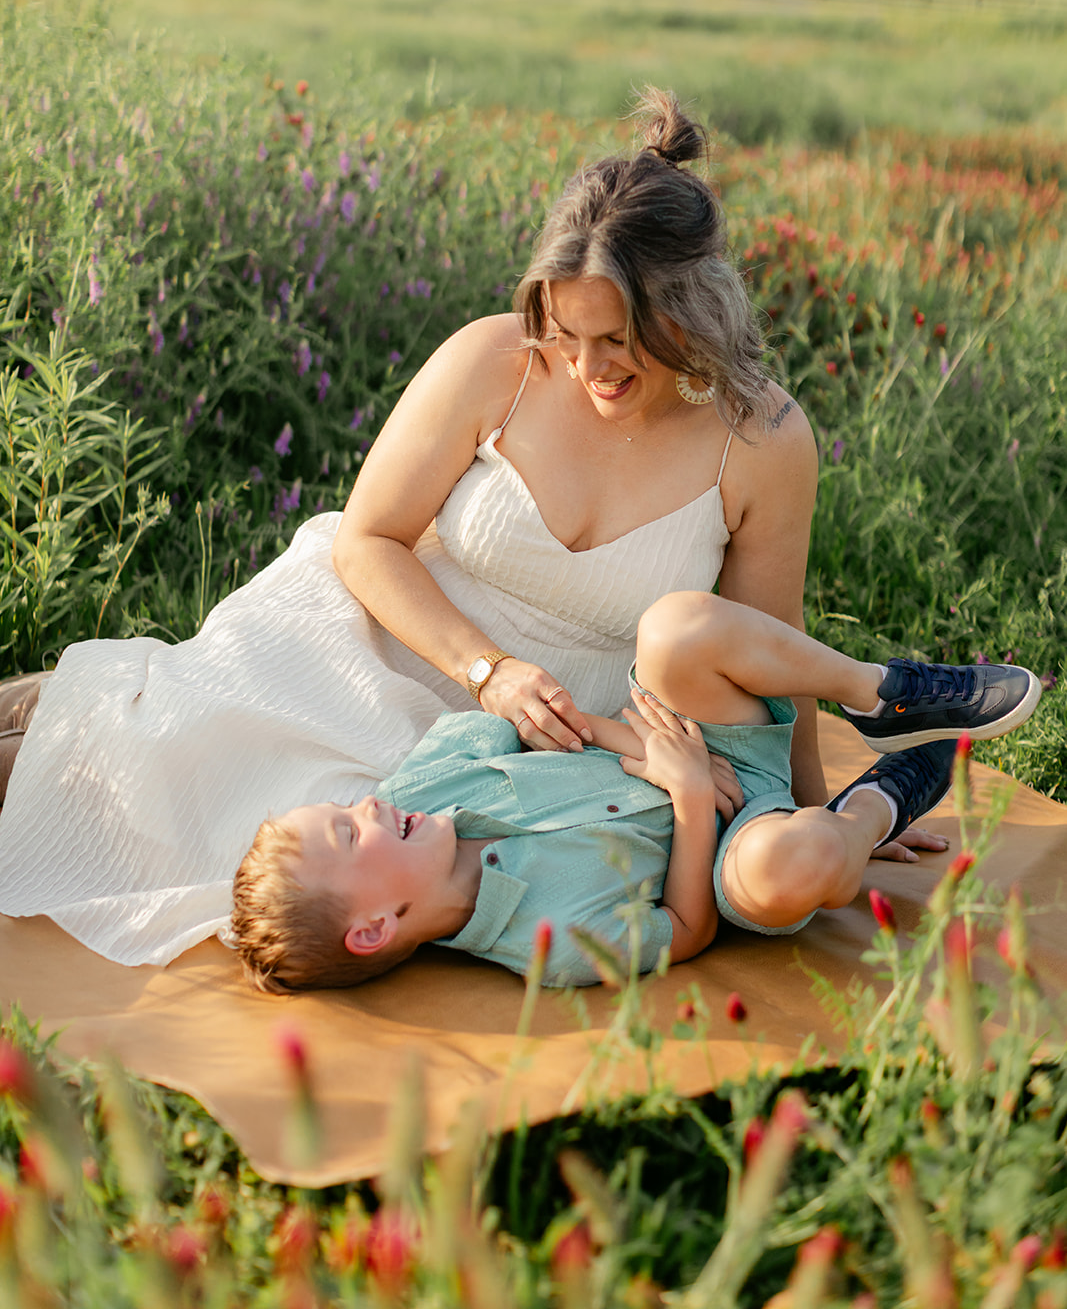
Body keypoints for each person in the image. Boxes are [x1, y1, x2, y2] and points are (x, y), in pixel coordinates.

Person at [0, 89, 935, 966]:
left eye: (618, 342)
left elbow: (775, 657)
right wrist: (488, 671)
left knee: (296, 845)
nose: (587, 368)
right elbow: (369, 540)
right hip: (396, 635)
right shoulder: (494, 358)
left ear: (692, 312)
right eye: (566, 335)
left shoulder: (761, 440)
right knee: (152, 750)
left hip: (544, 737)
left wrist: (838, 813)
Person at [231, 591, 1041, 991]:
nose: (365, 806)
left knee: (673, 626)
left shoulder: (427, 783)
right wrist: (690, 802)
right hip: (732, 844)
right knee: (793, 864)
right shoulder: (541, 946)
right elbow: (682, 928)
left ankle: (884, 694)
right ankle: (877, 803)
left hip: (687, 736)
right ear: (371, 929)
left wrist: (655, 750)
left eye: (342, 808)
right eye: (347, 834)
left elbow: (566, 724)